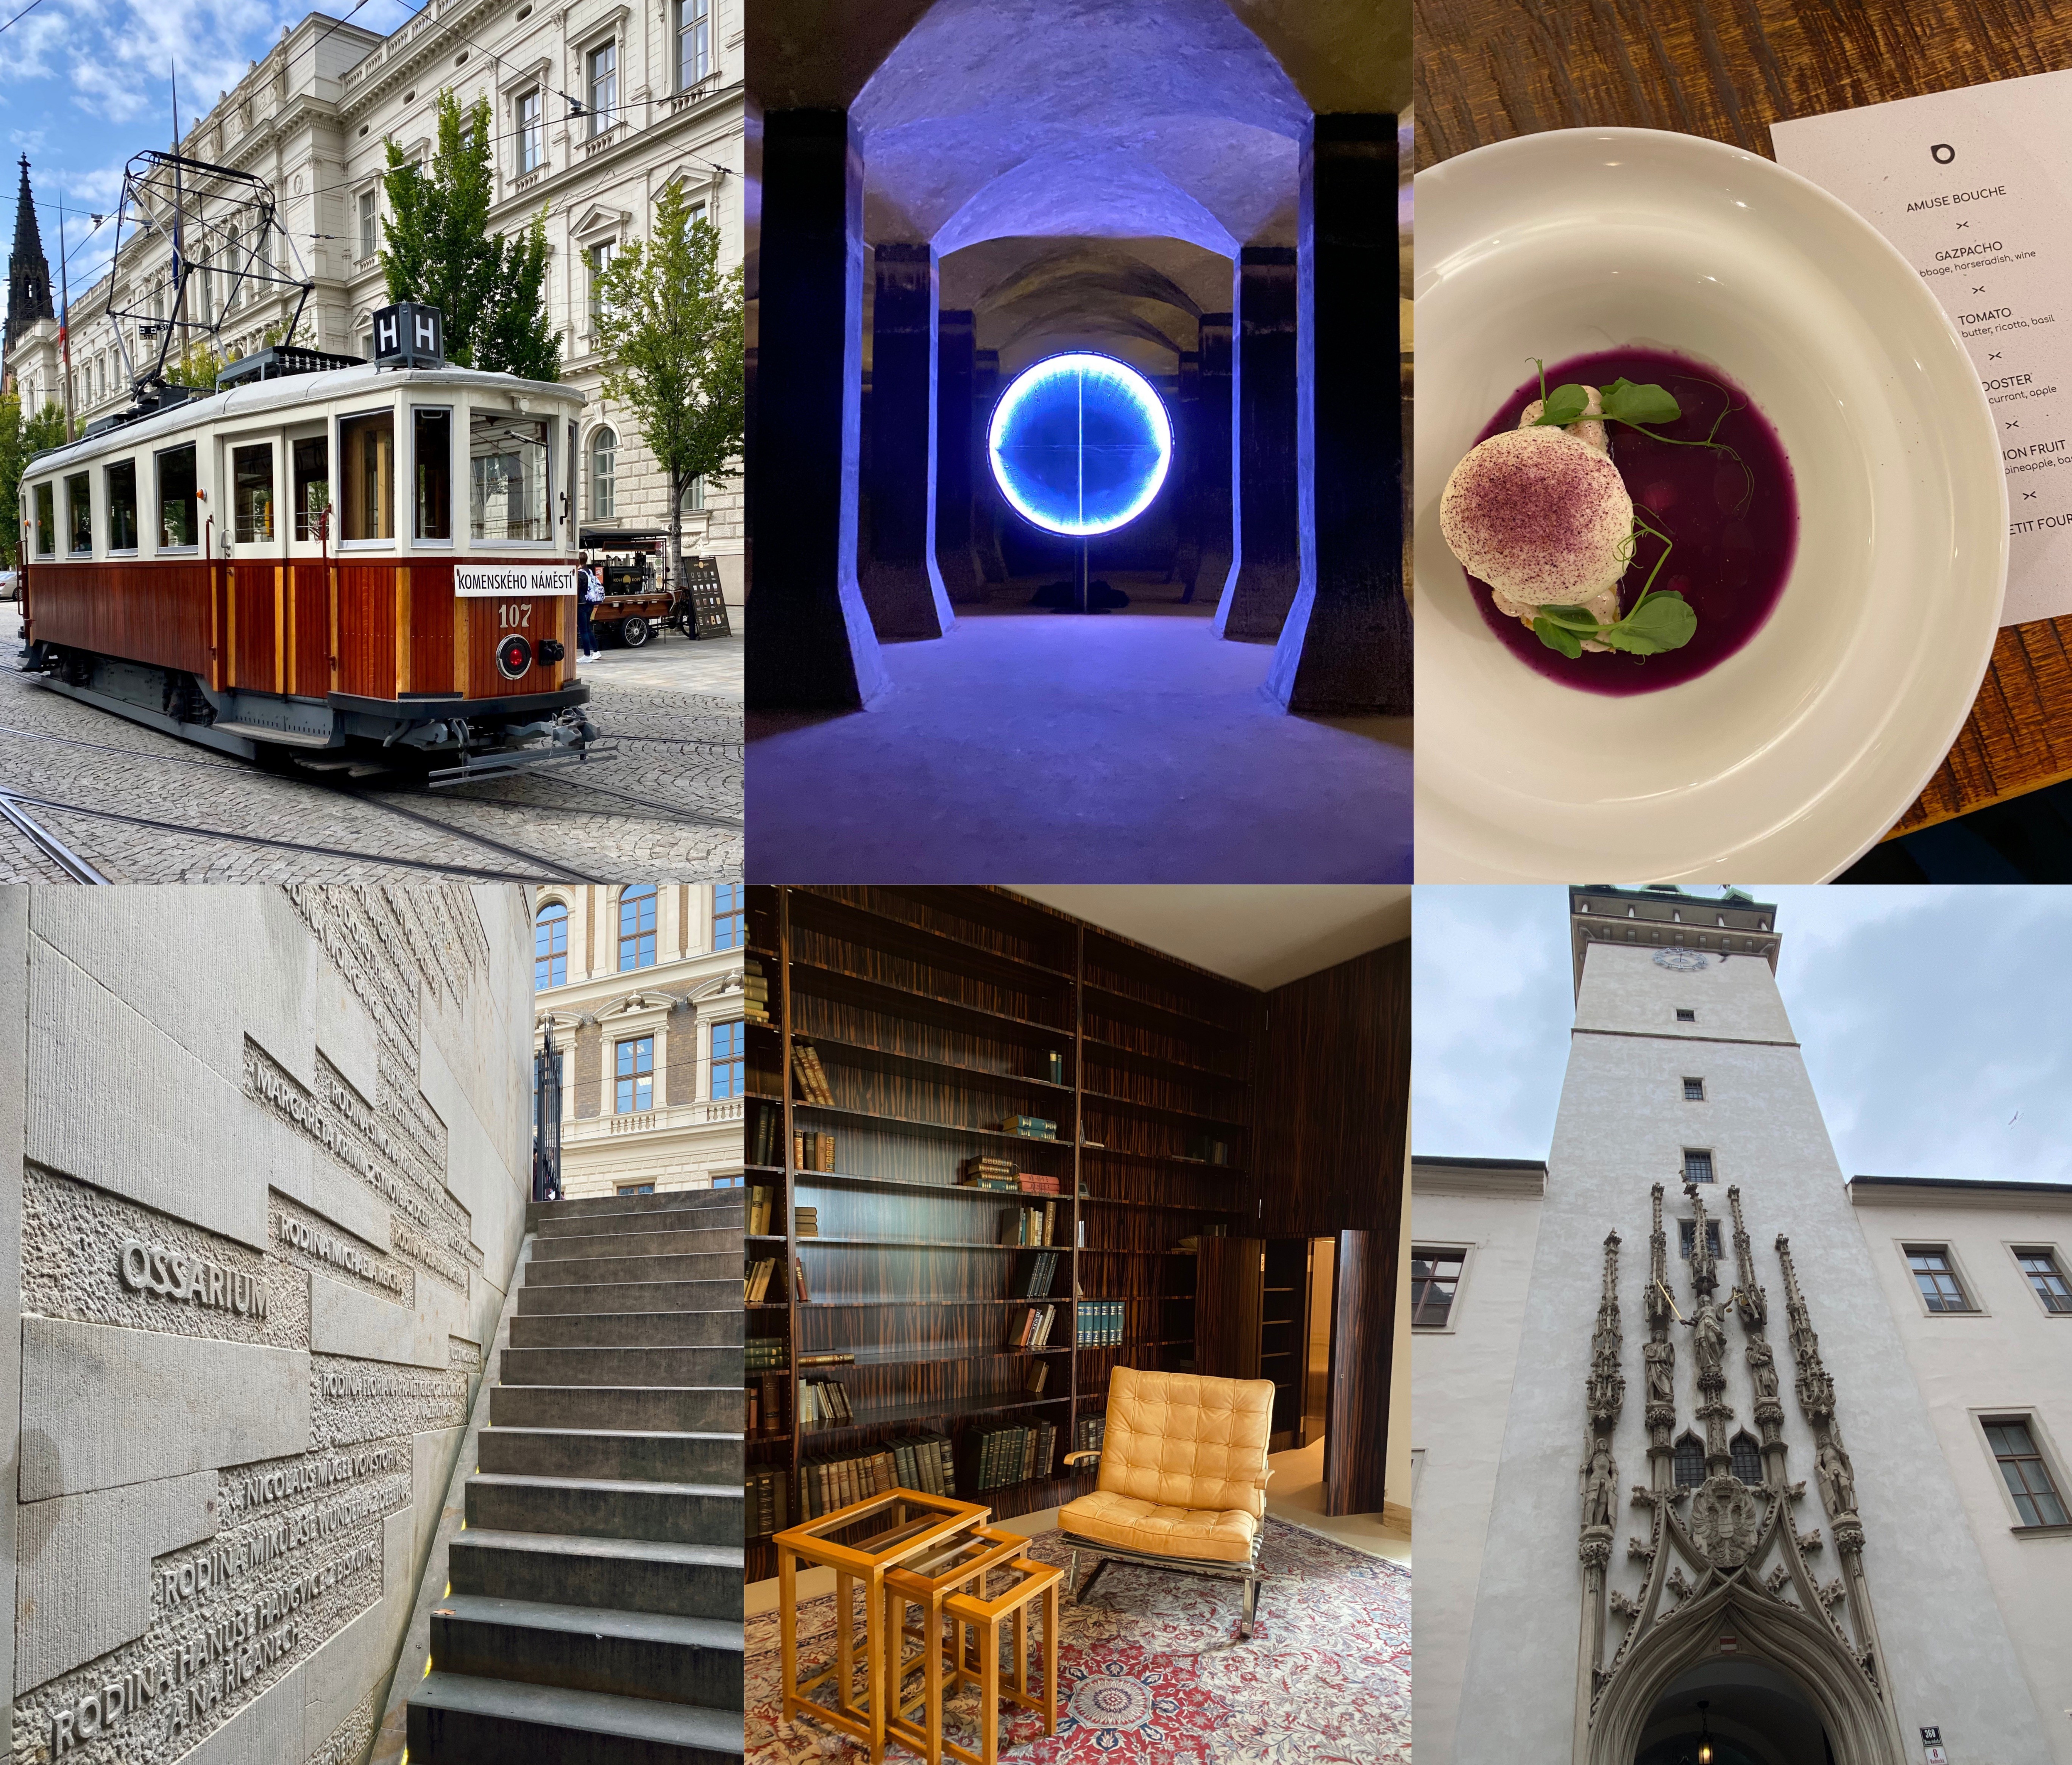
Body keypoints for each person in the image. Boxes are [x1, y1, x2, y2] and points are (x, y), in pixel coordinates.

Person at [576, 554, 602, 657]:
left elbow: (578, 590)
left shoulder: (580, 574)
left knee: (583, 630)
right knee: (587, 629)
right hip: (590, 603)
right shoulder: (590, 572)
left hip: (581, 604)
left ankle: (587, 655)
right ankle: (596, 651)